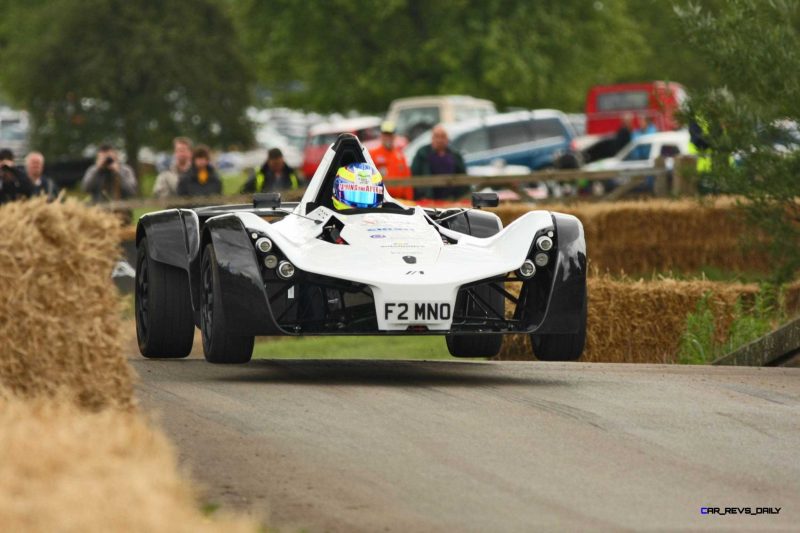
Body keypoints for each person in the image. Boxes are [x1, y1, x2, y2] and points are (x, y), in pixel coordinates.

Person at [410, 124, 468, 200]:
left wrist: (461, 197)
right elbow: (414, 176)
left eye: (443, 137)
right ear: (432, 138)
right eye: (437, 136)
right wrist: (421, 195)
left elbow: (464, 178)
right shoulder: (422, 153)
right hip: (428, 199)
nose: (440, 140)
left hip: (450, 200)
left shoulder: (455, 155)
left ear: (447, 139)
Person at [368, 121, 413, 201]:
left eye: (390, 135)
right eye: (386, 135)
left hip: (400, 201)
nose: (388, 137)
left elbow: (407, 181)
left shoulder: (400, 156)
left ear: (394, 136)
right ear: (381, 136)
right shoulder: (373, 155)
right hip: (382, 200)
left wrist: (409, 200)